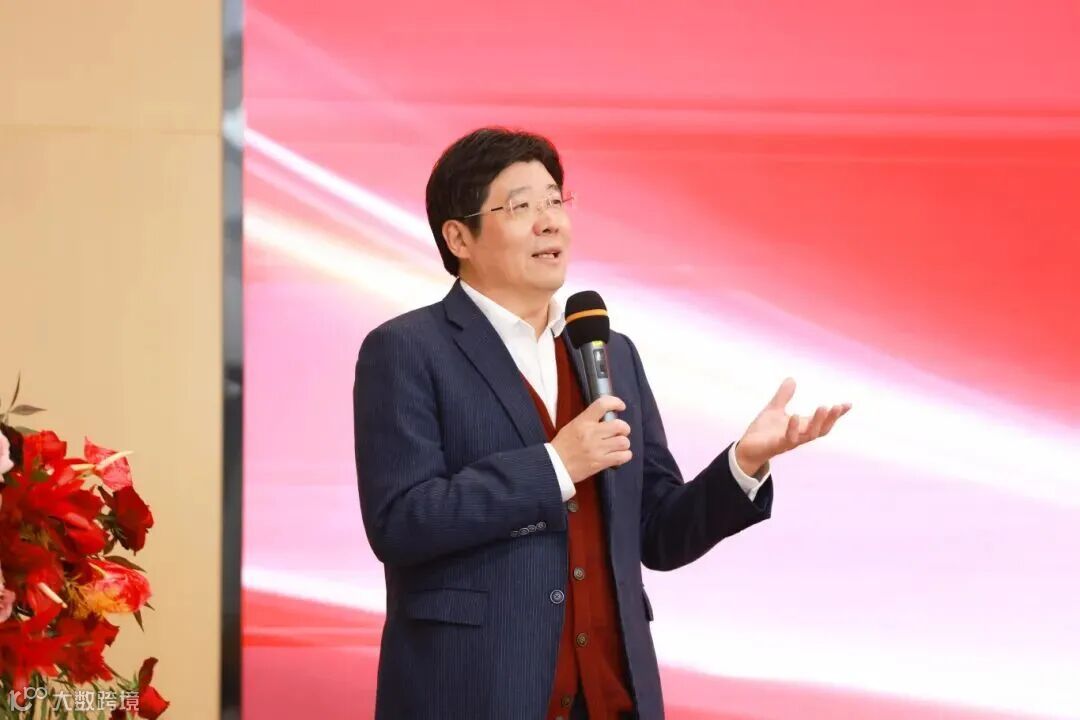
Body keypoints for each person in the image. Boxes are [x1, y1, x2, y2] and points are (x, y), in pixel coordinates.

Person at [353, 127, 851, 719]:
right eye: (520, 207)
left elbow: (658, 535)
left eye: (555, 200)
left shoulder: (610, 352)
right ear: (459, 236)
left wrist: (743, 463)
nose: (549, 222)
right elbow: (400, 523)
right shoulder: (407, 349)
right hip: (476, 693)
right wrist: (555, 466)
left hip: (612, 696)